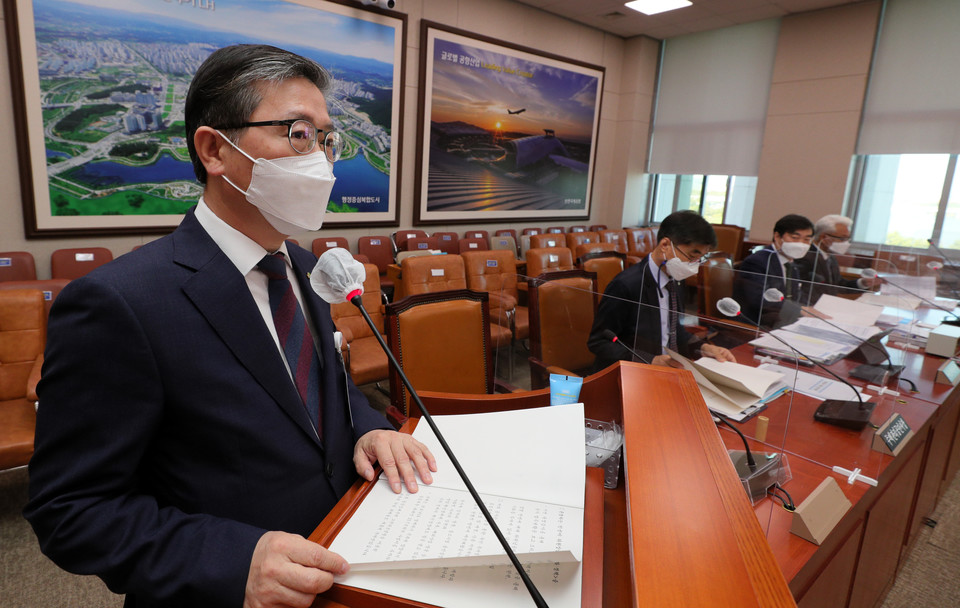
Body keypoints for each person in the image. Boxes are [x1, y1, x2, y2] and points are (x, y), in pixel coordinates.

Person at [24, 44, 436, 608]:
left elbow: (319, 392)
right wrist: (233, 560)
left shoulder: (305, 268)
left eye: (325, 138)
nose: (321, 159)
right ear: (215, 149)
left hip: (344, 560)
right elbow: (70, 508)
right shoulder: (119, 302)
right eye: (297, 132)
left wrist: (367, 426)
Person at [587, 210, 735, 370]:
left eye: (701, 258)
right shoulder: (627, 284)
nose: (695, 265)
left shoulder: (675, 280)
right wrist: (650, 360)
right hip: (633, 373)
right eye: (693, 255)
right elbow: (599, 342)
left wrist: (704, 347)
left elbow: (673, 331)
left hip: (671, 369)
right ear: (665, 245)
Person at [734, 214, 814, 327]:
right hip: (759, 323)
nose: (801, 244)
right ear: (777, 236)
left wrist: (811, 308)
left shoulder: (792, 264)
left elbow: (797, 295)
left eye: (807, 239)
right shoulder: (757, 261)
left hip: (784, 319)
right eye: (795, 238)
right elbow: (759, 299)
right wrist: (799, 309)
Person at [796, 214, 881, 301]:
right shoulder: (805, 256)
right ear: (824, 237)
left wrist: (862, 283)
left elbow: (838, 284)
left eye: (848, 239)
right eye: (842, 239)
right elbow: (800, 291)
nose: (846, 243)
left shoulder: (830, 257)